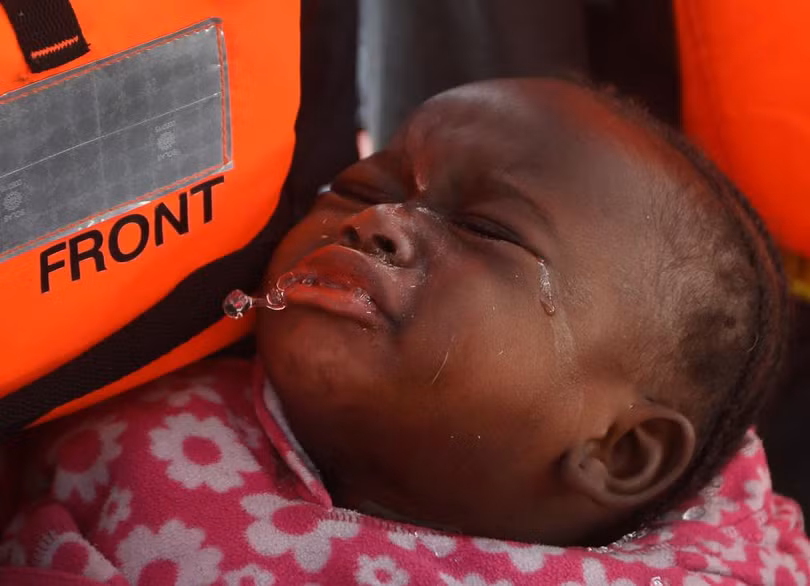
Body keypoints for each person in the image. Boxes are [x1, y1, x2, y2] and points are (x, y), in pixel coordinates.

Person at [1, 78, 806, 584]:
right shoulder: (165, 365)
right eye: (357, 187)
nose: (380, 220)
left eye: (489, 231)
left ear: (616, 450)